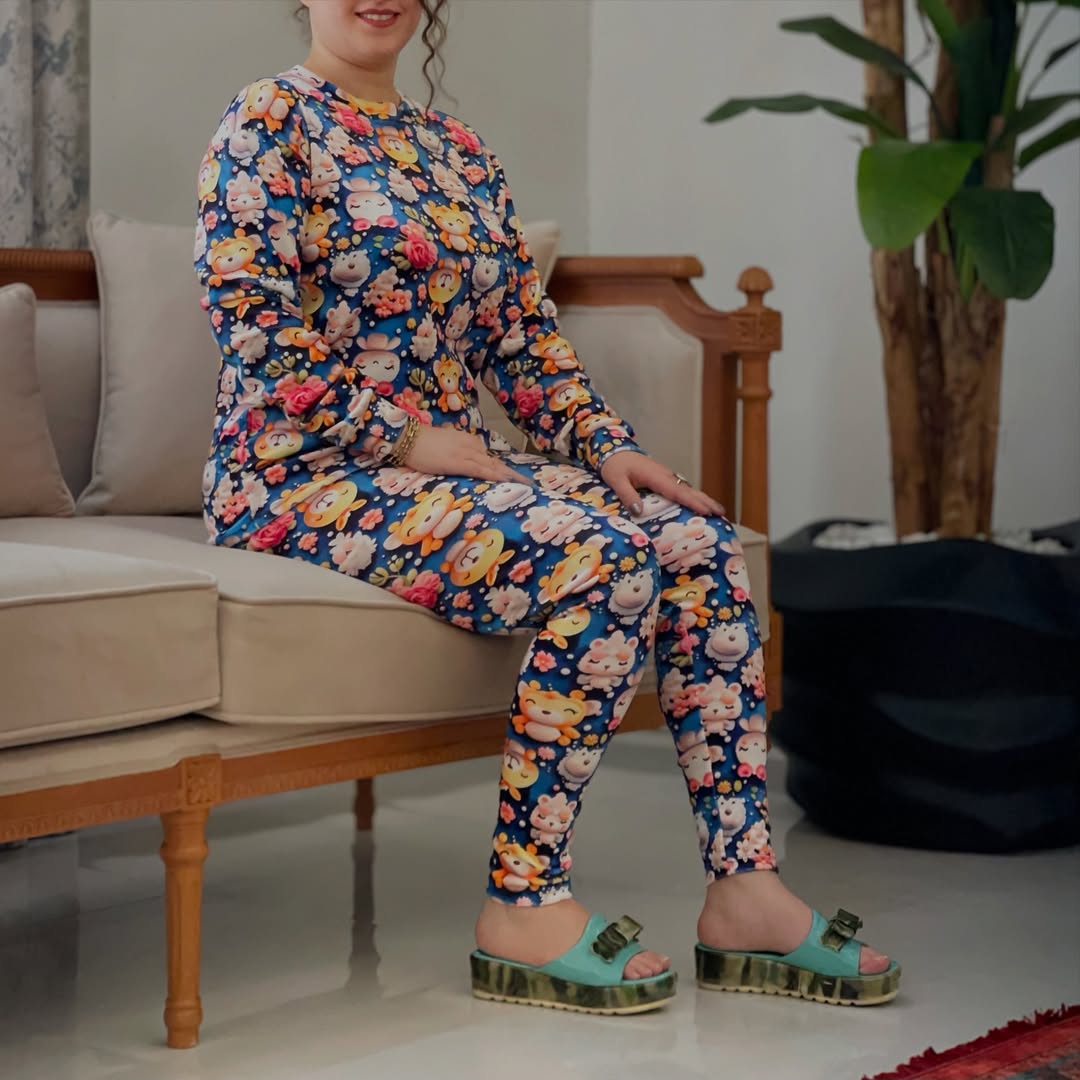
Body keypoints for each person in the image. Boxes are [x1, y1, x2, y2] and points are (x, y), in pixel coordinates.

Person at [195, 0, 899, 1014]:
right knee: (602, 558)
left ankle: (745, 889)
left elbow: (519, 339)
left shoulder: (458, 150)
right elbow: (249, 319)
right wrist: (404, 439)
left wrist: (610, 449)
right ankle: (523, 904)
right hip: (299, 476)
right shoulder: (266, 121)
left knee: (697, 541)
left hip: (445, 472)